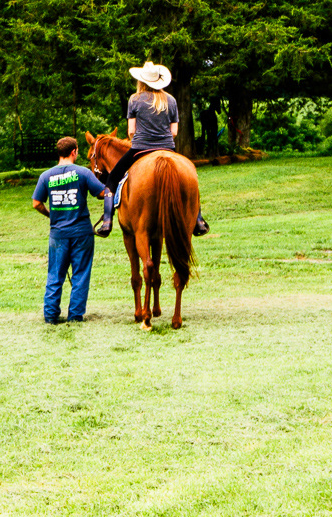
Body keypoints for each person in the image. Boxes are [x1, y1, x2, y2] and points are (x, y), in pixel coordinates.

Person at [93, 61, 210, 238]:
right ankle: (198, 220)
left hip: (139, 149)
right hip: (167, 148)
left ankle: (107, 221)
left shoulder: (134, 99)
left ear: (141, 80)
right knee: (191, 176)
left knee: (112, 181)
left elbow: (131, 131)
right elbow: (174, 131)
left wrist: (140, 139)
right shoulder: (170, 100)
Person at [30, 136, 107, 324]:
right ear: (74, 152)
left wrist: (52, 215)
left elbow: (36, 203)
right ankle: (75, 316)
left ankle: (50, 315)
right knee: (80, 274)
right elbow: (104, 193)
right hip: (82, 233)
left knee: (55, 275)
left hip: (58, 235)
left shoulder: (46, 176)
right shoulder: (83, 173)